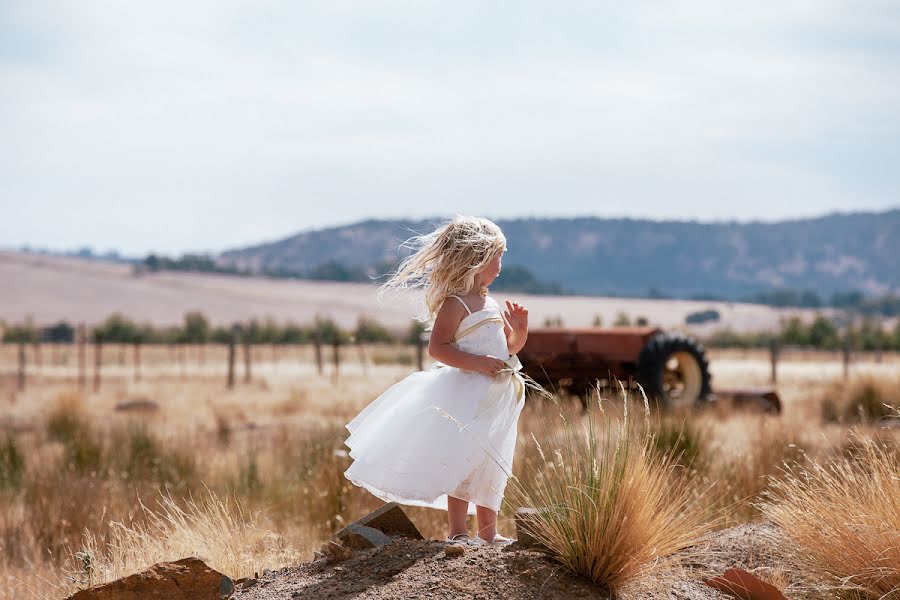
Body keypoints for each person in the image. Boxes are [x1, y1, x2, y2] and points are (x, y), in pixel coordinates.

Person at [343, 216, 529, 546]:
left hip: (497, 397)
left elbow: (505, 351)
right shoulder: (455, 304)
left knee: (492, 460)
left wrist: (519, 333)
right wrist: (477, 363)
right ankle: (458, 532)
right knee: (462, 460)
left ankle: (489, 532)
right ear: (478, 257)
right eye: (498, 255)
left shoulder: (491, 303)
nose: (501, 264)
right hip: (468, 395)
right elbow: (438, 348)